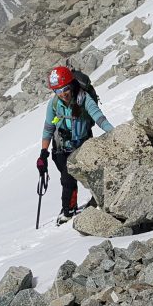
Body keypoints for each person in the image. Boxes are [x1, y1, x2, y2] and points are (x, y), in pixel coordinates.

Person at [37, 66, 114, 224]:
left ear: (71, 85)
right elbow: (48, 129)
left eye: (65, 89)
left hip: (83, 144)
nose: (63, 94)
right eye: (58, 91)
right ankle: (68, 210)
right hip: (61, 149)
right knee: (67, 180)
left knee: (93, 174)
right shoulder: (54, 104)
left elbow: (98, 117)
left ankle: (94, 202)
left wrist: (114, 133)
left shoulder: (84, 98)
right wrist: (43, 153)